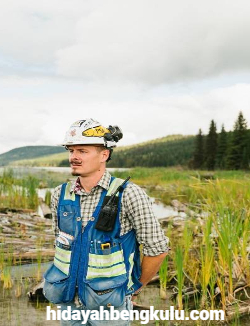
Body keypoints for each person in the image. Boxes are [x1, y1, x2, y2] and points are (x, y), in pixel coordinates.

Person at [43, 118, 169, 326]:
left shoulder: (129, 194)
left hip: (110, 309)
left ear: (104, 154)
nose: (74, 157)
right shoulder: (59, 194)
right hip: (67, 303)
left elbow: (157, 249)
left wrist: (135, 287)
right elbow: (60, 244)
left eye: (82, 151)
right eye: (71, 150)